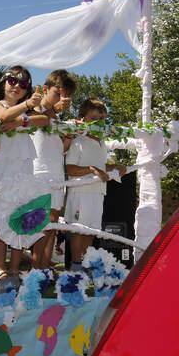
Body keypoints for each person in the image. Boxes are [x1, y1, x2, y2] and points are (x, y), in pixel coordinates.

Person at [0, 66, 49, 281]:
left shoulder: (27, 112)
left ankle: (14, 267)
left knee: (20, 216)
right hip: (3, 167)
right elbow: (3, 115)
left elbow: (44, 120)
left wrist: (22, 120)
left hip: (24, 168)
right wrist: (26, 106)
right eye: (12, 81)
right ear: (3, 83)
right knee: (1, 218)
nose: (17, 87)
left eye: (23, 84)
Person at [64, 98, 126, 268]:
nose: (98, 123)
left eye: (102, 119)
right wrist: (92, 169)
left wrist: (114, 166)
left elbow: (101, 166)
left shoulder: (102, 143)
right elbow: (70, 169)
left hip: (98, 192)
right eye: (93, 118)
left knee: (90, 232)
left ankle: (85, 266)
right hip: (80, 193)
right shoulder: (78, 142)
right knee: (78, 231)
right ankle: (75, 267)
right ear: (83, 119)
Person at [30, 70, 76, 269]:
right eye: (58, 93)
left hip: (57, 172)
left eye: (66, 95)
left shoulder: (57, 119)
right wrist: (55, 109)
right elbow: (39, 117)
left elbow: (61, 149)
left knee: (53, 222)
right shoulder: (35, 107)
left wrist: (70, 136)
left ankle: (44, 266)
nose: (62, 99)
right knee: (41, 223)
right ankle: (34, 268)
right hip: (39, 171)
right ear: (46, 89)